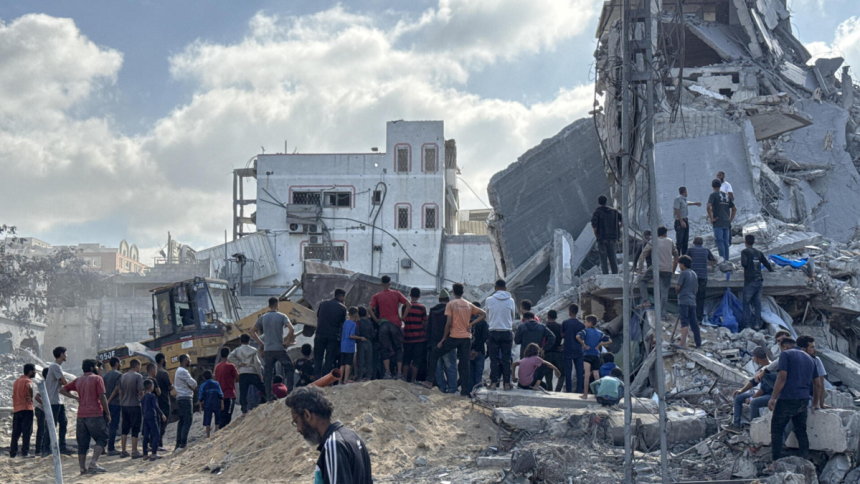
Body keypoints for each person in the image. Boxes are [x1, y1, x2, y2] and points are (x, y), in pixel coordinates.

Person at [284, 386, 372, 484]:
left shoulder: (333, 444)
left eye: (296, 422)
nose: (298, 429)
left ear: (307, 415)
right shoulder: (353, 436)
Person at [424, 283, 487, 397]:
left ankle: (429, 381)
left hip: (454, 337)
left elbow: (448, 323)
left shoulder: (451, 304)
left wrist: (443, 339)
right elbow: (483, 314)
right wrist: (471, 324)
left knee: (435, 354)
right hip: (466, 338)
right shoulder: (469, 304)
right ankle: (464, 392)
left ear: (453, 292)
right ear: (463, 292)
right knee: (464, 365)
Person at [767, 338, 822, 466]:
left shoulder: (786, 354)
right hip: (803, 399)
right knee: (801, 430)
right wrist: (815, 402)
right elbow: (817, 384)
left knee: (777, 429)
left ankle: (775, 462)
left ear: (785, 346)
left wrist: (773, 397)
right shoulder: (810, 359)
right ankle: (805, 461)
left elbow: (782, 377)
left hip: (787, 397)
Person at [60, 359, 110, 475]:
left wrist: (75, 398)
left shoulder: (78, 380)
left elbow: (62, 389)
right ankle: (93, 463)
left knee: (82, 443)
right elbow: (102, 397)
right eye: (97, 367)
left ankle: (82, 468)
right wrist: (107, 413)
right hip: (95, 414)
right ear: (92, 368)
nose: (99, 369)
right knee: (102, 438)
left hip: (81, 415)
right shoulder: (97, 379)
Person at [253, 296, 296, 401]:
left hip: (268, 350)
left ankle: (269, 396)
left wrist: (261, 343)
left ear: (269, 305)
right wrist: (287, 341)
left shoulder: (263, 317)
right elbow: (291, 328)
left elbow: (252, 331)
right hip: (279, 348)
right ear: (277, 304)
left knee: (268, 374)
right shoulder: (282, 316)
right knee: (290, 368)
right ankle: (290, 392)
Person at [637, 225, 679, 320]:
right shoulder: (670, 241)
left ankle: (646, 300)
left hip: (655, 269)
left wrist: (640, 269)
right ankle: (663, 314)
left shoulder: (653, 241)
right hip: (667, 270)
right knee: (664, 292)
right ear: (665, 233)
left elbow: (642, 256)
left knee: (641, 280)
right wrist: (672, 270)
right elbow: (676, 257)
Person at [729, 346, 774, 430]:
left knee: (754, 402)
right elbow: (753, 382)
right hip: (763, 394)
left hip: (772, 396)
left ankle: (754, 429)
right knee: (738, 397)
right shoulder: (762, 368)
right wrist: (741, 390)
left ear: (756, 358)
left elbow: (763, 389)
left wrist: (751, 398)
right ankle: (736, 425)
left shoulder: (771, 368)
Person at [485, 279, 516, 390]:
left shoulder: (489, 300)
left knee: (494, 359)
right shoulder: (511, 301)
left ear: (495, 288)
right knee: (506, 359)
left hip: (493, 331)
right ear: (505, 288)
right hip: (507, 331)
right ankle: (507, 383)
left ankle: (494, 382)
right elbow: (512, 317)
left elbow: (487, 316)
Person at [111, 358, 143, 458]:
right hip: (135, 405)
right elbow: (140, 392)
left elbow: (120, 391)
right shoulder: (138, 376)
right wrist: (142, 402)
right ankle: (134, 451)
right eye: (139, 367)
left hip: (124, 406)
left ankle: (123, 451)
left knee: (125, 428)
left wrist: (121, 402)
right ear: (136, 366)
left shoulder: (123, 376)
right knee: (135, 428)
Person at [741, 234, 774, 331]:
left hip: (750, 280)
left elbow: (744, 264)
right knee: (757, 303)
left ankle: (747, 325)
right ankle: (757, 324)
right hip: (759, 280)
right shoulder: (758, 252)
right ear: (753, 242)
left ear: (745, 241)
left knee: (746, 303)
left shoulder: (744, 252)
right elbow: (766, 263)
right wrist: (771, 270)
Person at [427, 289, 457, 393]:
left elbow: (429, 328)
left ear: (439, 299)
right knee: (451, 366)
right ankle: (452, 388)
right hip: (449, 342)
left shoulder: (432, 311)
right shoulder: (451, 310)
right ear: (448, 299)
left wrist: (430, 343)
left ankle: (442, 388)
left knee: (437, 366)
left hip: (435, 342)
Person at [229, 334, 266, 414]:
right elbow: (257, 362)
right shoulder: (253, 350)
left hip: (242, 373)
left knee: (243, 392)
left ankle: (244, 409)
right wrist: (259, 373)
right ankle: (271, 398)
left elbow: (229, 357)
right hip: (252, 372)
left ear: (240, 341)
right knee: (262, 387)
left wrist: (239, 363)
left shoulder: (237, 350)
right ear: (249, 341)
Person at [43, 346, 70, 456]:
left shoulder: (57, 366)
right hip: (54, 400)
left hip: (58, 400)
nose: (67, 355)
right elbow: (64, 382)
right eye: (66, 353)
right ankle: (46, 449)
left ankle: (62, 447)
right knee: (51, 425)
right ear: (62, 354)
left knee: (63, 423)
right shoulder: (55, 366)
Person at [315, 289, 347, 379]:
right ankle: (326, 380)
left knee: (318, 358)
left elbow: (318, 319)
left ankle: (316, 379)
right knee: (329, 359)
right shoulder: (342, 308)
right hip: (333, 337)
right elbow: (342, 324)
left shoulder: (323, 304)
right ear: (342, 297)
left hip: (320, 334)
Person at [577, 315, 612, 399]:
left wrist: (583, 344)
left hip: (587, 354)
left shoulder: (585, 331)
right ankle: (599, 394)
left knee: (587, 374)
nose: (585, 323)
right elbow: (610, 340)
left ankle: (585, 394)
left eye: (586, 322)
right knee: (596, 375)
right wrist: (600, 344)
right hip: (596, 355)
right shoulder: (599, 333)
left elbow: (577, 336)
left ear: (590, 323)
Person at [687, 237, 717, 323]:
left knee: (691, 296)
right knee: (700, 297)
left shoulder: (690, 250)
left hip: (692, 277)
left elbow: (685, 260)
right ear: (702, 243)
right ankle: (699, 318)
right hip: (703, 276)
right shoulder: (706, 250)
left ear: (693, 242)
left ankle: (690, 316)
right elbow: (713, 259)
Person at [10, 363, 37, 458]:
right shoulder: (27, 380)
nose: (35, 372)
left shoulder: (16, 381)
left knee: (15, 433)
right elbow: (29, 386)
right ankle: (25, 452)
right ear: (30, 371)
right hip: (26, 409)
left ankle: (13, 453)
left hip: (17, 409)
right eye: (34, 370)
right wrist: (31, 395)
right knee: (27, 432)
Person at [401, 288, 428, 382]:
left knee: (406, 359)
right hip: (419, 338)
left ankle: (404, 379)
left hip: (408, 337)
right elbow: (425, 321)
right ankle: (413, 380)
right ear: (419, 296)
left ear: (410, 295)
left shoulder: (405, 306)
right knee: (417, 360)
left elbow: (404, 319)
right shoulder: (422, 307)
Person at [591, 194, 622, 274]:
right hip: (612, 238)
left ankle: (605, 275)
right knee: (613, 257)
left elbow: (595, 227)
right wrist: (617, 228)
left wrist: (597, 235)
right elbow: (623, 220)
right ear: (606, 202)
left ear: (599, 202)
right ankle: (615, 274)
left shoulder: (597, 212)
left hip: (602, 238)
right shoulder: (614, 211)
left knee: (603, 258)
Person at [707, 178, 736, 260]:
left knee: (720, 241)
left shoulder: (713, 195)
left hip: (718, 222)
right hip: (726, 222)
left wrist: (711, 218)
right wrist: (730, 220)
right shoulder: (726, 195)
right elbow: (734, 209)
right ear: (720, 185)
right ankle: (727, 260)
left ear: (712, 186)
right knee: (726, 242)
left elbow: (708, 206)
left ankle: (722, 260)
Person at [173, 354, 197, 452]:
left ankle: (178, 444)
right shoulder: (183, 371)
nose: (190, 361)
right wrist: (191, 386)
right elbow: (194, 384)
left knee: (182, 421)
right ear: (185, 360)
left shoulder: (178, 371)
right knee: (187, 420)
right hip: (185, 398)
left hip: (180, 399)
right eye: (189, 359)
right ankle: (182, 445)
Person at [677, 255, 701, 348]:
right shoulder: (694, 274)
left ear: (683, 264)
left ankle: (683, 343)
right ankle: (698, 343)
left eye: (679, 264)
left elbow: (678, 287)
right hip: (692, 301)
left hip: (683, 301)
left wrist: (678, 292)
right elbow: (696, 289)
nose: (679, 266)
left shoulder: (683, 274)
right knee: (694, 323)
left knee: (684, 322)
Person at [797, 336, 828, 409]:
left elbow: (820, 383)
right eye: (812, 347)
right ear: (803, 349)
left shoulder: (816, 360)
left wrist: (820, 403)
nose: (814, 350)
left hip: (810, 393)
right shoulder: (794, 359)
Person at [561, 304, 586, 393]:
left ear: (570, 311)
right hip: (578, 350)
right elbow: (583, 337)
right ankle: (579, 390)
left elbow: (562, 335)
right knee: (579, 371)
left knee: (568, 371)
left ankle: (568, 390)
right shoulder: (581, 324)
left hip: (567, 349)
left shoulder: (565, 323)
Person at [102, 357, 123, 456]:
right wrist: (110, 400)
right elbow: (117, 389)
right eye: (120, 363)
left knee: (106, 426)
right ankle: (111, 448)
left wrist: (106, 402)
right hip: (114, 404)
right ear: (117, 363)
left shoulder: (105, 376)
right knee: (113, 426)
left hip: (106, 404)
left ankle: (102, 447)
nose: (121, 365)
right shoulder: (119, 375)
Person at [140, 380, 166, 461]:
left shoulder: (143, 397)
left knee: (146, 436)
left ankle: (145, 454)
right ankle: (154, 454)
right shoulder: (152, 396)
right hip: (152, 417)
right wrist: (162, 414)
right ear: (151, 386)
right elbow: (155, 406)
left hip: (145, 417)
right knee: (156, 434)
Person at [215, 348, 239, 429]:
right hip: (229, 394)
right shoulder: (231, 366)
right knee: (227, 417)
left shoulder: (217, 367)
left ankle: (220, 431)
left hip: (220, 396)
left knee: (222, 416)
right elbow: (237, 378)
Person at [673, 186, 701, 255]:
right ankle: (677, 256)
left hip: (685, 220)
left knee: (685, 239)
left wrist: (695, 203)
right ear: (684, 191)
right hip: (680, 221)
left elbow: (687, 203)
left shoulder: (684, 199)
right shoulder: (678, 199)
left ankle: (684, 256)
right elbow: (676, 209)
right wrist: (681, 221)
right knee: (679, 240)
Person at [154, 353, 172, 449]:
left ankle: (155, 441)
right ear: (162, 360)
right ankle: (159, 441)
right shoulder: (164, 373)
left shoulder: (154, 372)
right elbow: (169, 387)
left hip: (155, 401)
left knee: (156, 421)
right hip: (164, 400)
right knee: (164, 421)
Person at [542, 310, 564, 392]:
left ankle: (549, 389)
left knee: (548, 374)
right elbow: (565, 336)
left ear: (548, 316)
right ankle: (558, 390)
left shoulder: (545, 326)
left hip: (547, 352)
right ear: (556, 317)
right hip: (558, 351)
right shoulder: (560, 326)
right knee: (562, 373)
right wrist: (563, 345)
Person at [470, 301, 489, 393]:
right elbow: (485, 338)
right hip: (480, 351)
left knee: (470, 374)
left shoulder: (467, 321)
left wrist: (471, 351)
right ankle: (478, 394)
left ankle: (468, 393)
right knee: (478, 374)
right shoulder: (483, 323)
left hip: (468, 352)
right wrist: (477, 350)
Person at [197, 370, 223, 438]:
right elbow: (220, 394)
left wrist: (200, 406)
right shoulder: (216, 383)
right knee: (218, 418)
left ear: (203, 377)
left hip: (207, 404)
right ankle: (216, 432)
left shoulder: (203, 385)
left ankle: (208, 435)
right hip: (216, 403)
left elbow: (200, 397)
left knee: (207, 420)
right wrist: (222, 404)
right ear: (212, 376)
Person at [340, 307, 362, 384]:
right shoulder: (353, 324)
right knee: (348, 363)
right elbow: (351, 335)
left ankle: (340, 380)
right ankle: (346, 379)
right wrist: (360, 338)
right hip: (350, 347)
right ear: (356, 314)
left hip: (343, 346)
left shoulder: (345, 322)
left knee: (342, 364)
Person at [378, 315, 404, 380]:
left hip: (383, 322)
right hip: (395, 323)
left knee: (384, 349)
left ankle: (387, 372)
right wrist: (402, 317)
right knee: (398, 349)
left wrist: (376, 319)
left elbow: (369, 309)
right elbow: (408, 307)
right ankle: (399, 373)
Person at [33, 367, 49, 457]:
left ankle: (42, 449)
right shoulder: (44, 384)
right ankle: (38, 450)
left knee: (44, 429)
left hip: (43, 409)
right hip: (41, 409)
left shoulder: (48, 383)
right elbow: (37, 397)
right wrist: (46, 404)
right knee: (41, 430)